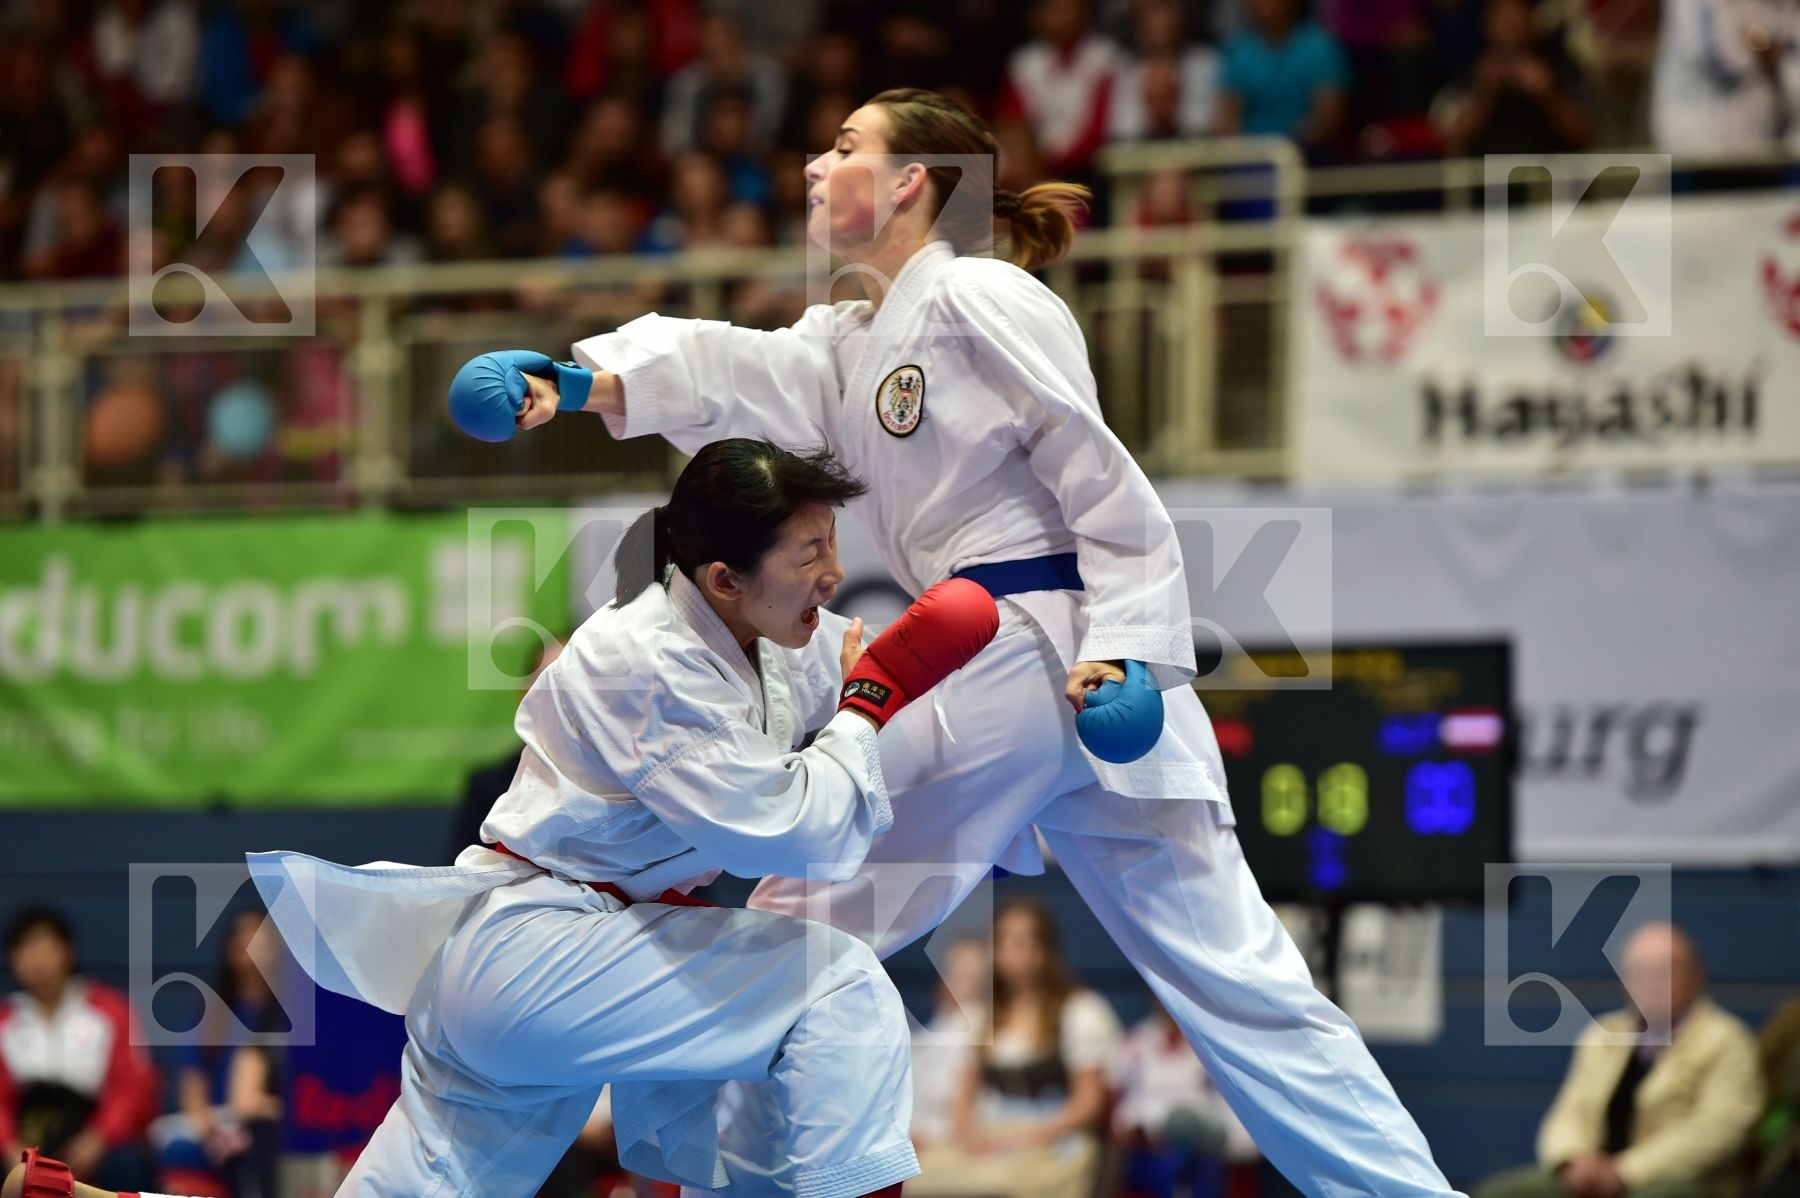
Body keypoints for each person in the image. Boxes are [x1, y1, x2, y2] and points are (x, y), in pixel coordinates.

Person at [487, 84, 1463, 1198]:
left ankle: (708, 1175)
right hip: (1039, 667)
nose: (814, 162)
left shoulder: (982, 293)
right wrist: (577, 383)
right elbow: (731, 368)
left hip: (1025, 645)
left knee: (793, 919)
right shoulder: (856, 340)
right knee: (1246, 987)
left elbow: (1095, 465)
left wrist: (1137, 644)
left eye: (845, 145)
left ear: (913, 183)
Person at [5, 439, 1001, 1198]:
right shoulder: (642, 662)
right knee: (838, 987)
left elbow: (863, 656)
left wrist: (1058, 669)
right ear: (723, 578)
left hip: (533, 969)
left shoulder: (770, 631)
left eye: (834, 546)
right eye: (812, 551)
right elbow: (799, 828)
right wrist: (871, 701)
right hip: (543, 946)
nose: (833, 573)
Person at [1471, 923, 1764, 1198]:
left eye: (1666, 971)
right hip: (1592, 1177)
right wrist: (1572, 1161)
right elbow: (1569, 1112)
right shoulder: (1603, 1035)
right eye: (1640, 972)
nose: (1652, 983)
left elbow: (1718, 1131)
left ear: (1696, 976)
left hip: (1675, 1181)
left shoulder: (1728, 1042)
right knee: (1503, 1191)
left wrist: (1626, 1171)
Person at [909, 900, 1121, 1198]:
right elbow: (963, 1098)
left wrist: (1032, 1136)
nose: (1010, 952)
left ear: (1044, 949)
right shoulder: (982, 1016)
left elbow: (1088, 1103)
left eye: (1021, 942)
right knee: (921, 1180)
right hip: (995, 1133)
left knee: (998, 1185)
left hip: (1055, 1139)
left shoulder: (1079, 1012)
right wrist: (971, 1136)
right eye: (1002, 942)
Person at [0, 909, 157, 1193]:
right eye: (27, 951)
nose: (38, 961)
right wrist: (9, 1145)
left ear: (67, 951)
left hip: (94, 1134)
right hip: (27, 1133)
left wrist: (99, 1136)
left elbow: (133, 1087)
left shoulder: (110, 1010)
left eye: (45, 949)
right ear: (14, 960)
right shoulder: (6, 1021)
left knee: (128, 1165)